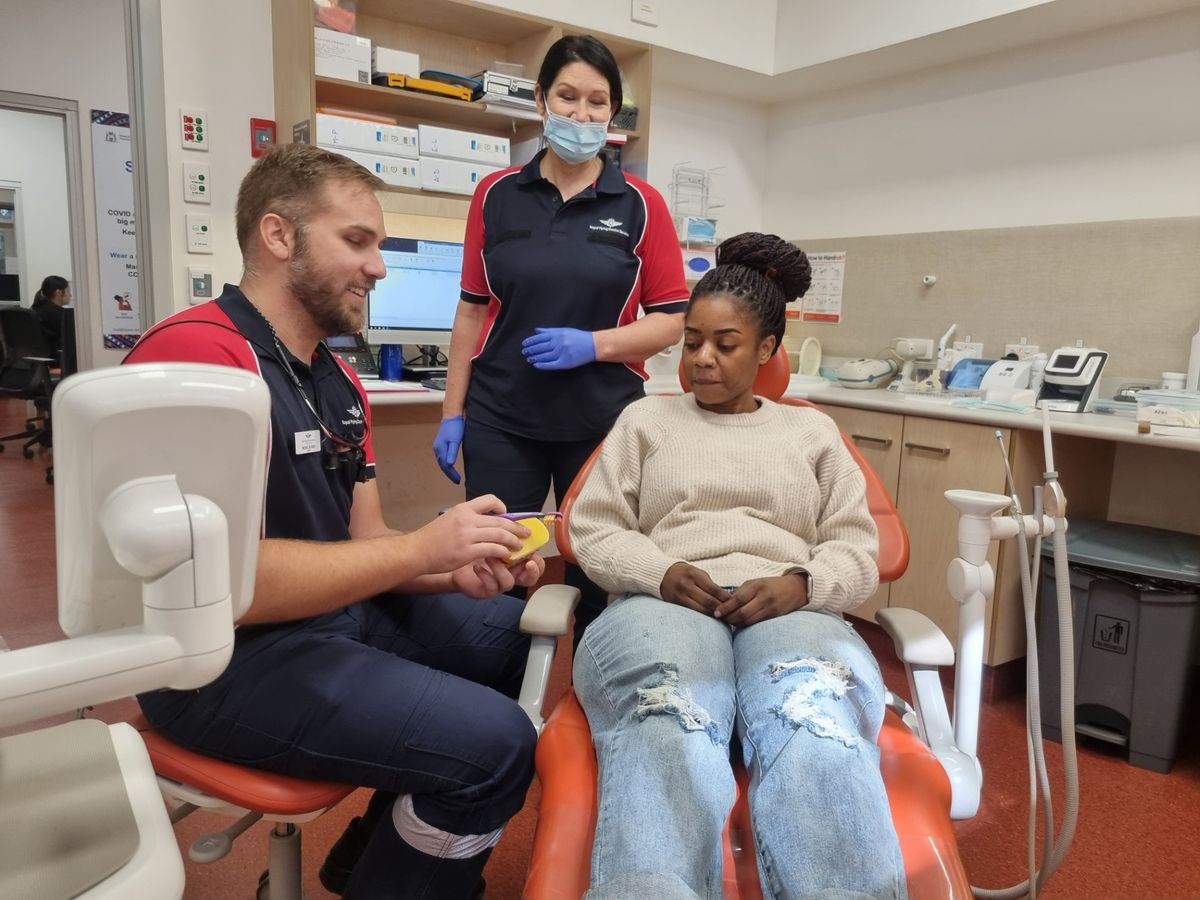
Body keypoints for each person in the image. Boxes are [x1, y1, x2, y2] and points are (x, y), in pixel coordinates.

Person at [125, 143, 546, 900]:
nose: (378, 266)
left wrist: (457, 565)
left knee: (513, 642)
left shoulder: (337, 376)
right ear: (279, 236)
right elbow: (227, 589)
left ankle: (375, 861)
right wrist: (424, 546)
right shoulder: (197, 359)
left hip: (326, 616)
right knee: (497, 746)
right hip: (219, 662)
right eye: (357, 241)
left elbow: (368, 544)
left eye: (378, 245)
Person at [568, 233, 908, 899]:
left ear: (767, 350)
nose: (701, 359)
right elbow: (595, 529)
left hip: (789, 611)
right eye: (692, 341)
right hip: (662, 607)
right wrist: (659, 571)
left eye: (725, 345)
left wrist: (803, 584)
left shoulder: (811, 434)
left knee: (812, 715)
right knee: (668, 712)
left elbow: (856, 549)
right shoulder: (645, 422)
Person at [434, 34, 689, 647]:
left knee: (600, 570)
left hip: (603, 420)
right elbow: (471, 312)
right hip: (503, 415)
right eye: (568, 97)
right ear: (542, 102)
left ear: (612, 113)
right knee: (501, 565)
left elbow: (673, 318)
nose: (582, 114)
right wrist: (452, 413)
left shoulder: (641, 205)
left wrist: (593, 344)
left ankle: (601, 690)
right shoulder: (496, 195)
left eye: (597, 102)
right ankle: (497, 703)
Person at [30, 275, 71, 354]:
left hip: (40, 359)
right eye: (68, 291)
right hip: (56, 359)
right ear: (58, 293)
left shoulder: (36, 308)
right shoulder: (61, 315)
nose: (70, 295)